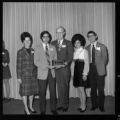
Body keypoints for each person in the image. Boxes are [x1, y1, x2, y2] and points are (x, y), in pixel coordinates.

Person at [34, 31, 58, 115]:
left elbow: (55, 58)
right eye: (44, 37)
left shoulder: (53, 47)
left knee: (53, 92)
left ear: (49, 38)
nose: (46, 38)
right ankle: (42, 110)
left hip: (52, 72)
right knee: (42, 93)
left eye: (47, 36)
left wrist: (54, 65)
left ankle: (53, 109)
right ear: (41, 38)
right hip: (42, 73)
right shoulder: (37, 47)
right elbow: (36, 62)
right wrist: (47, 66)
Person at [52, 26, 73, 112]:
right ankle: (60, 104)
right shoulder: (52, 43)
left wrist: (64, 64)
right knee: (59, 87)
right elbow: (51, 56)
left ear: (64, 33)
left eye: (61, 32)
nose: (59, 34)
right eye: (57, 32)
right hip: (56, 68)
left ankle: (65, 105)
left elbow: (70, 56)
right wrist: (52, 65)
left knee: (65, 86)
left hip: (64, 68)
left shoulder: (68, 43)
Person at [86, 31, 108, 112]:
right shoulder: (87, 48)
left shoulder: (102, 46)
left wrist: (100, 66)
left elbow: (105, 59)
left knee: (101, 89)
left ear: (96, 36)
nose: (90, 37)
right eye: (89, 36)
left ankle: (101, 106)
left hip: (100, 70)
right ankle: (94, 105)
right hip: (90, 70)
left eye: (92, 35)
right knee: (93, 89)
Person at [17, 32, 38, 115]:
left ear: (31, 41)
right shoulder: (20, 52)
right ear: (23, 41)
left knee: (32, 92)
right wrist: (19, 77)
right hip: (24, 75)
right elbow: (18, 65)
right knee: (25, 93)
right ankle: (26, 108)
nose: (27, 42)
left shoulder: (33, 50)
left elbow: (35, 63)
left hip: (33, 75)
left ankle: (31, 106)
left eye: (29, 40)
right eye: (25, 40)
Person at [71, 34, 89, 112]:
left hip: (81, 72)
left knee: (82, 90)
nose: (76, 44)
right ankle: (81, 104)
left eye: (78, 42)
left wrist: (85, 74)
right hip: (76, 72)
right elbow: (73, 64)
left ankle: (84, 106)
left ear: (81, 42)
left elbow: (87, 63)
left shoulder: (84, 51)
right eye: (75, 42)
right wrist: (72, 74)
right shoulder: (75, 52)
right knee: (78, 89)